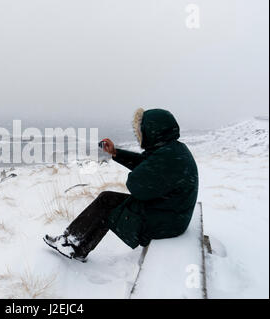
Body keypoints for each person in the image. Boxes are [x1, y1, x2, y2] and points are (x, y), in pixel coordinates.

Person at [44, 108, 199, 262]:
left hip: (166, 222)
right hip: (170, 213)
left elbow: (137, 187)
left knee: (108, 204)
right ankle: (76, 244)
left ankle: (73, 244)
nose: (140, 135)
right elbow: (147, 164)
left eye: (141, 131)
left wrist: (136, 176)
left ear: (153, 131)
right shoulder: (172, 149)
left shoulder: (167, 156)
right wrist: (115, 153)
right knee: (109, 201)